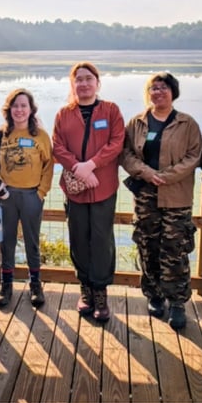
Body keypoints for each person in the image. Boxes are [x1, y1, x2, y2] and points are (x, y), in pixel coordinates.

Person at [121, 72, 202, 330]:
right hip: (145, 196)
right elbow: (126, 154)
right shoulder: (137, 122)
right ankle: (154, 294)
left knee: (175, 249)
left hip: (176, 196)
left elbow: (194, 156)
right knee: (148, 245)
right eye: (153, 88)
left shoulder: (186, 123)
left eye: (164, 88)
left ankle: (177, 302)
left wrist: (166, 177)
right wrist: (147, 173)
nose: (158, 92)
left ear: (173, 92)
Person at [52, 61, 125, 323]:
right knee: (79, 238)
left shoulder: (110, 110)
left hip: (102, 186)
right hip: (75, 189)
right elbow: (57, 146)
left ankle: (101, 291)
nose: (83, 84)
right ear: (73, 84)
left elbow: (117, 142)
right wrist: (77, 167)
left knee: (102, 239)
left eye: (88, 79)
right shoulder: (64, 114)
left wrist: (92, 165)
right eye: (78, 79)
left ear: (97, 83)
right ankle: (85, 288)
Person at [0, 88, 54, 309]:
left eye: (24, 105)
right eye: (15, 106)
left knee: (32, 241)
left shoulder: (41, 136)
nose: (19, 110)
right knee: (6, 241)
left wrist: (41, 192)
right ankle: (6, 284)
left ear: (31, 109)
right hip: (7, 196)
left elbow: (48, 165)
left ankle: (35, 284)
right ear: (9, 109)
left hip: (32, 195)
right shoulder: (1, 134)